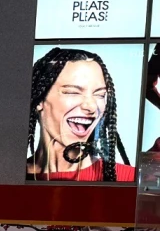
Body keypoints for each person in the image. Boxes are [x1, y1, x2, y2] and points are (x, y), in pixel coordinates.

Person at [25, 48, 135, 182]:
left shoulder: (128, 178)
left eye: (100, 95)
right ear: (40, 99)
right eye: (73, 92)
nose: (91, 106)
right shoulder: (8, 176)